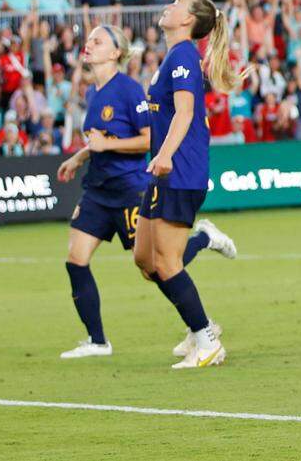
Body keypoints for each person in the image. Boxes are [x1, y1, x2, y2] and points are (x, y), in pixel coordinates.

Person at [54, 24, 235, 360]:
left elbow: (147, 139)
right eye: (89, 39)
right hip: (97, 189)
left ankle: (203, 255)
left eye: (98, 41)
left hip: (128, 189)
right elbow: (100, 140)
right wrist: (81, 156)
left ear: (116, 53)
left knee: (155, 266)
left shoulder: (129, 90)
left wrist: (107, 144)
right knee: (75, 260)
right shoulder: (92, 92)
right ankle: (97, 341)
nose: (88, 44)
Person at [133, 0, 241, 369]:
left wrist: (163, 155)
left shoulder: (182, 55)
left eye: (179, 1)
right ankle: (205, 241)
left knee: (165, 261)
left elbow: (185, 112)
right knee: (146, 260)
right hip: (165, 169)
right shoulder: (173, 55)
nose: (170, 4)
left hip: (180, 169)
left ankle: (206, 340)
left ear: (189, 19)